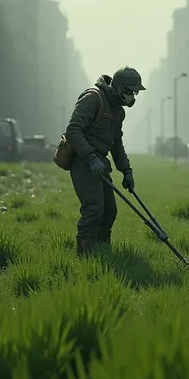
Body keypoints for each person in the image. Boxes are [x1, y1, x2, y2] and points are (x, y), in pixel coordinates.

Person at [65, 66, 145, 255]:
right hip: (83, 160)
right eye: (129, 92)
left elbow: (116, 143)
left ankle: (102, 252)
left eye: (135, 93)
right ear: (117, 88)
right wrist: (91, 157)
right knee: (93, 209)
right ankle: (84, 256)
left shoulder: (118, 111)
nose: (132, 97)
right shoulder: (93, 98)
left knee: (109, 211)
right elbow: (73, 131)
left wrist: (126, 170)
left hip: (100, 163)